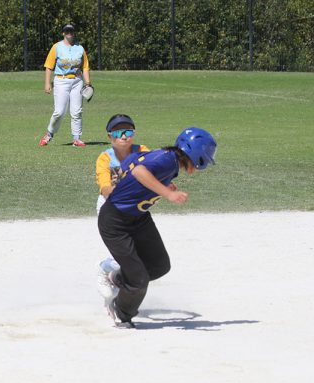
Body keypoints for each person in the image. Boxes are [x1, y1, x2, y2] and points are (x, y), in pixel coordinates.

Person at [97, 127, 217, 328]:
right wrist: (167, 193)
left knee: (159, 265)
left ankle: (116, 276)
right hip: (116, 222)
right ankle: (121, 312)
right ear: (196, 154)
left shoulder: (168, 160)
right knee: (139, 280)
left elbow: (130, 162)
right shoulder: (167, 159)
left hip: (139, 219)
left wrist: (163, 184)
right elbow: (138, 170)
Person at [95, 114, 149, 305]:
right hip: (110, 209)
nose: (124, 136)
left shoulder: (143, 151)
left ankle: (118, 289)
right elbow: (105, 187)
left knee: (140, 256)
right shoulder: (105, 158)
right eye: (119, 132)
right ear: (110, 136)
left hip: (134, 209)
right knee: (124, 257)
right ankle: (104, 269)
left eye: (129, 131)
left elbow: (155, 171)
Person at [40, 23, 91, 148]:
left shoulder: (80, 48)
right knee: (59, 112)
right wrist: (47, 83)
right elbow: (48, 66)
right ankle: (49, 134)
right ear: (63, 33)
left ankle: (77, 139)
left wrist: (88, 83)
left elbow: (85, 67)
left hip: (77, 81)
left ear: (74, 33)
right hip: (61, 81)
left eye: (71, 31)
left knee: (77, 111)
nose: (69, 33)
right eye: (67, 31)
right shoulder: (56, 47)